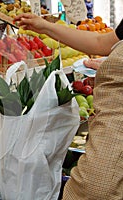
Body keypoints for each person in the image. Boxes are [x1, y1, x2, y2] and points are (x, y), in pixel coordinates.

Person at [14, 13, 123, 199]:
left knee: (95, 188)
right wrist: (45, 26)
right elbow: (102, 42)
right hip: (109, 132)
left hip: (114, 141)